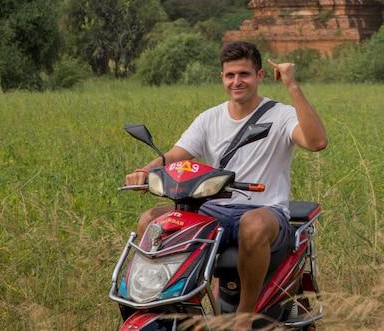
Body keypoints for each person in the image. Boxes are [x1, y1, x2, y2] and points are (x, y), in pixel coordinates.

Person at [123, 40, 328, 324]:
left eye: (244, 74)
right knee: (152, 220)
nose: (236, 81)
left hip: (265, 211)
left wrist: (292, 85)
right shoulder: (210, 118)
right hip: (213, 211)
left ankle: (244, 317)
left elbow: (317, 142)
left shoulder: (280, 116)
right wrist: (145, 172)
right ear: (222, 78)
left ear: (259, 76)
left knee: (252, 224)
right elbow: (175, 155)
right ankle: (158, 304)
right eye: (230, 75)